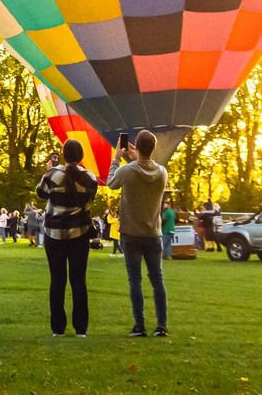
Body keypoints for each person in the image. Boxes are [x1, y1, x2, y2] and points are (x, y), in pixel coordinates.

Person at [38, 136, 101, 338]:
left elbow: (41, 193)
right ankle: (81, 327)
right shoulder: (90, 178)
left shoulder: (52, 175)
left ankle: (58, 328)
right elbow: (89, 201)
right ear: (81, 156)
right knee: (78, 280)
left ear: (63, 155)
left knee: (57, 281)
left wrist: (49, 170)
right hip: (79, 234)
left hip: (54, 234)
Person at [109, 131, 170, 337]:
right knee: (157, 280)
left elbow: (111, 183)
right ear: (153, 148)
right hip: (153, 233)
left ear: (137, 146)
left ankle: (140, 325)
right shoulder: (162, 172)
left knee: (135, 280)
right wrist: (139, 157)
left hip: (131, 233)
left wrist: (117, 158)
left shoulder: (127, 171)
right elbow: (147, 168)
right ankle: (161, 325)